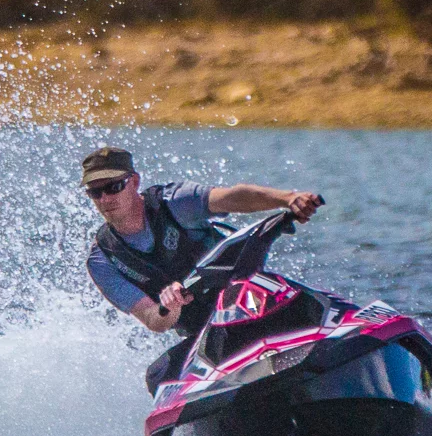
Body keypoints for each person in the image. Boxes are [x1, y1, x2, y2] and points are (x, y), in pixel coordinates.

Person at [79, 146, 322, 393]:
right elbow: (154, 320)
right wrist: (169, 307)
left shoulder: (175, 202)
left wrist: (287, 199)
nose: (105, 199)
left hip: (253, 300)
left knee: (308, 307)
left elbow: (234, 197)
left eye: (113, 187)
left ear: (134, 182)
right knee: (158, 376)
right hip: (207, 337)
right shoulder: (102, 260)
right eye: (95, 192)